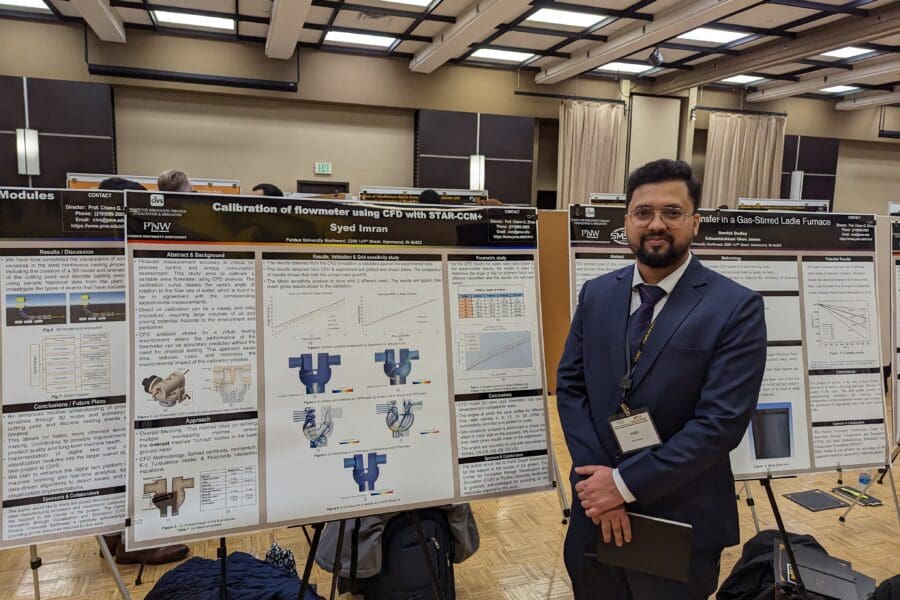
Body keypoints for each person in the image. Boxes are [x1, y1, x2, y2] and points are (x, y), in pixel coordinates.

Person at [557, 159, 767, 599]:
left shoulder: (735, 307)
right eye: (643, 212)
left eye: (672, 212)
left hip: (678, 517)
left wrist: (624, 485)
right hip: (594, 511)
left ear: (695, 222)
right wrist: (602, 483)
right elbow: (572, 387)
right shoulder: (597, 293)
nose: (657, 224)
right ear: (627, 221)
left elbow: (719, 425)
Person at [95, 177, 191, 566]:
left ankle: (114, 538)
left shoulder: (97, 246)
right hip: (130, 360)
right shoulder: (128, 248)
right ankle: (138, 542)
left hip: (114, 365)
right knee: (142, 450)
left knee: (117, 452)